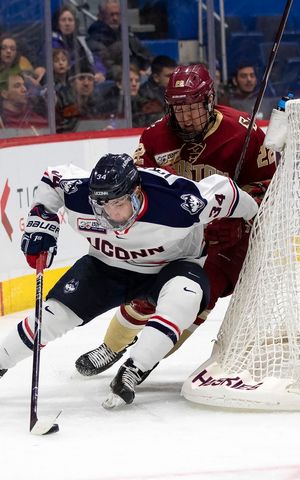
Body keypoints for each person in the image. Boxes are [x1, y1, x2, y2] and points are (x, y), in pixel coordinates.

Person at [0, 153, 258, 408]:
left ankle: (133, 369)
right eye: (102, 205)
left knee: (186, 295)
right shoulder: (79, 192)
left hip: (170, 269)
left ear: (136, 192)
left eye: (118, 203)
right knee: (54, 315)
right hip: (106, 266)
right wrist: (42, 218)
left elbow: (228, 192)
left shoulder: (180, 202)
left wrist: (257, 216)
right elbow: (53, 178)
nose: (111, 214)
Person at [74, 63, 277, 378]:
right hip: (174, 237)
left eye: (193, 107)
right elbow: (138, 192)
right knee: (145, 296)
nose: (186, 116)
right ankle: (112, 347)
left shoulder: (243, 133)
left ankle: (143, 361)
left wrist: (241, 221)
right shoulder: (155, 137)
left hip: (227, 239)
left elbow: (268, 188)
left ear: (209, 101)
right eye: (179, 109)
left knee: (192, 303)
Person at [86, 0, 152, 79]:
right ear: (101, 16)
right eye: (111, 15)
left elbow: (147, 54)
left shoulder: (127, 35)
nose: (115, 18)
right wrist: (135, 72)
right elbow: (106, 67)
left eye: (118, 14)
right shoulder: (94, 39)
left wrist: (149, 68)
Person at [52, 5, 106, 84]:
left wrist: (100, 72)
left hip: (86, 77)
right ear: (57, 23)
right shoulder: (52, 43)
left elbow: (94, 59)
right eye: (63, 20)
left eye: (70, 20)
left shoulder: (81, 41)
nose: (67, 23)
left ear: (75, 23)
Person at [137, 54, 177, 123]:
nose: (174, 79)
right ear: (156, 78)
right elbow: (155, 120)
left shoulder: (180, 90)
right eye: (169, 76)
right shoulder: (144, 94)